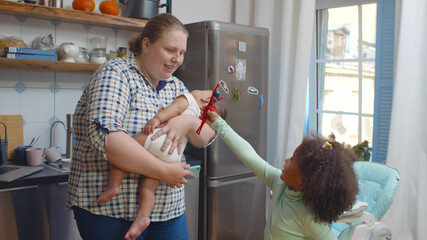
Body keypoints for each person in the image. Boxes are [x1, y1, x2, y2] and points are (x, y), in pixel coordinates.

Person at [67, 13, 217, 240]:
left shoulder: (176, 86)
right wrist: (164, 171)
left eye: (182, 52)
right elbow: (105, 137)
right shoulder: (116, 73)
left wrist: (188, 121)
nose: (177, 59)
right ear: (146, 44)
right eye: (170, 50)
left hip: (168, 210)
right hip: (111, 212)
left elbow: (206, 136)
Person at [204, 110, 359, 240]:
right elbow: (249, 156)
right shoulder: (279, 183)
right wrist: (220, 124)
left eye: (292, 160)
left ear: (304, 182)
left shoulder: (310, 219)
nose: (286, 161)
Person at [97, 89, 228, 239]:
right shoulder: (200, 119)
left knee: (123, 152)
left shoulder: (189, 100)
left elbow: (174, 109)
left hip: (157, 140)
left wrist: (157, 119)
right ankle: (143, 217)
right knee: (148, 188)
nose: (197, 90)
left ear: (205, 99)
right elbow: (210, 132)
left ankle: (113, 187)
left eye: (203, 90)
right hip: (172, 155)